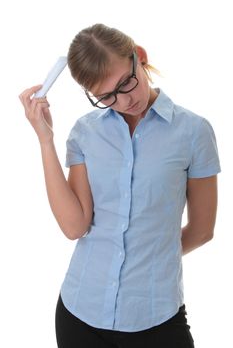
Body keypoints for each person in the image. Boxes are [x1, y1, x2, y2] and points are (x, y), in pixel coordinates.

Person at [19, 23, 221, 348]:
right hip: (80, 312)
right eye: (106, 97)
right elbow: (74, 227)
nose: (124, 101)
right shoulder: (85, 133)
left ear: (138, 57)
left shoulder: (193, 132)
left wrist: (148, 257)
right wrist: (46, 139)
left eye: (126, 84)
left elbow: (202, 230)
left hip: (155, 316)